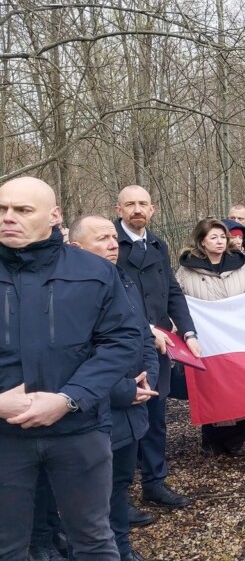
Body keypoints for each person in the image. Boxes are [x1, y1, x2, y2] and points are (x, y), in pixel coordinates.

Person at [0, 177, 142, 561]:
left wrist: (69, 398)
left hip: (80, 430)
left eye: (22, 210)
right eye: (2, 209)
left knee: (94, 540)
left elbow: (121, 341)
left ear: (54, 216)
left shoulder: (94, 271)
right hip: (4, 437)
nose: (8, 218)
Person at [69, 215, 160, 561]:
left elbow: (142, 336)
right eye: (102, 239)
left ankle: (122, 548)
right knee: (95, 494)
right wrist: (122, 390)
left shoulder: (124, 281)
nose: (112, 244)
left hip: (133, 410)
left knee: (120, 487)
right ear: (76, 247)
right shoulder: (68, 293)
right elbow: (77, 357)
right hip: (96, 413)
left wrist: (148, 375)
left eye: (113, 236)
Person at [114, 185, 198, 512]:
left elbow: (172, 292)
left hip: (159, 348)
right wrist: (146, 329)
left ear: (153, 209)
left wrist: (188, 332)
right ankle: (117, 498)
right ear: (118, 209)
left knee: (155, 415)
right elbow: (112, 295)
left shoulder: (158, 245)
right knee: (124, 421)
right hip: (122, 345)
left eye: (143, 204)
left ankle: (154, 483)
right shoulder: (109, 245)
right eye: (130, 204)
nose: (137, 209)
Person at [176, 218, 245, 456]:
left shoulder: (240, 266)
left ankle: (236, 440)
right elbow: (178, 301)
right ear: (202, 241)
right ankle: (211, 439)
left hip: (236, 338)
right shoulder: (186, 270)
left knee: (239, 387)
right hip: (205, 339)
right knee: (211, 387)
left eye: (222, 237)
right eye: (214, 237)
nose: (219, 242)